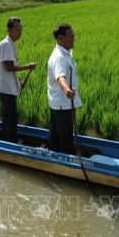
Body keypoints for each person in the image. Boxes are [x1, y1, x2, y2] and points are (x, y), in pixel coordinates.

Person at [0, 17, 37, 143]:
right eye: (17, 30)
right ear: (9, 30)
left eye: (21, 30)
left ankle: (6, 139)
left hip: (8, 87)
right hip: (7, 89)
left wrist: (18, 82)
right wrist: (27, 66)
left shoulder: (10, 45)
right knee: (11, 118)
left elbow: (9, 69)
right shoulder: (6, 44)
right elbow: (9, 67)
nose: (20, 32)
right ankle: (10, 143)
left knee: (7, 117)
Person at [46, 24, 82, 154]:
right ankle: (67, 160)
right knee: (66, 135)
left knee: (56, 133)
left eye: (73, 36)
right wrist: (67, 89)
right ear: (60, 38)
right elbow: (60, 77)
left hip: (58, 103)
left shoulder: (66, 53)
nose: (73, 39)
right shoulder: (59, 57)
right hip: (63, 103)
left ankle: (53, 153)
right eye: (70, 36)